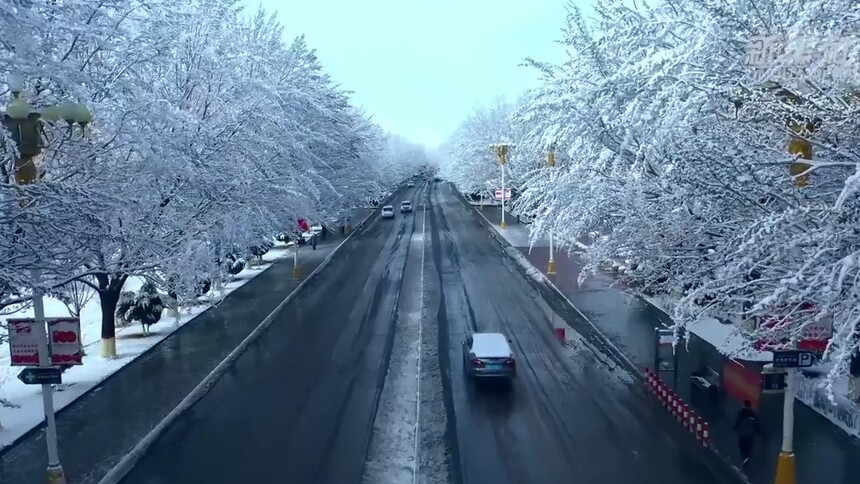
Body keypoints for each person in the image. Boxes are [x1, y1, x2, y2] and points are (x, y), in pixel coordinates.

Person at [733, 400, 762, 465]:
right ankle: (747, 457)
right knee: (749, 446)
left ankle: (745, 458)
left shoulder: (741, 413)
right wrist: (759, 432)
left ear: (743, 405)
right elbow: (756, 424)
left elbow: (738, 421)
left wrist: (735, 428)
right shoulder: (753, 414)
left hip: (742, 433)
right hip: (750, 434)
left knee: (742, 446)